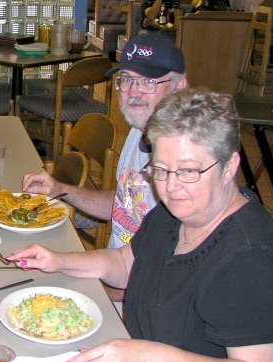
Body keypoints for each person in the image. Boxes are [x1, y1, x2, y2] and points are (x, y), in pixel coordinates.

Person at [9, 88, 273, 362]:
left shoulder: (249, 258)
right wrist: (59, 261)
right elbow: (128, 264)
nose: (171, 187)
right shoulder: (177, 212)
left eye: (188, 171)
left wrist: (149, 356)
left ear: (230, 166)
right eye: (160, 169)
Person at [22, 32, 188, 302]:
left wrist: (101, 293)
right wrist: (61, 189)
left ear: (179, 87)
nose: (133, 92)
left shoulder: (185, 169)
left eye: (147, 81)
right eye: (126, 80)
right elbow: (125, 203)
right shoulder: (138, 132)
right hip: (113, 273)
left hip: (136, 303)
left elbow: (170, 280)